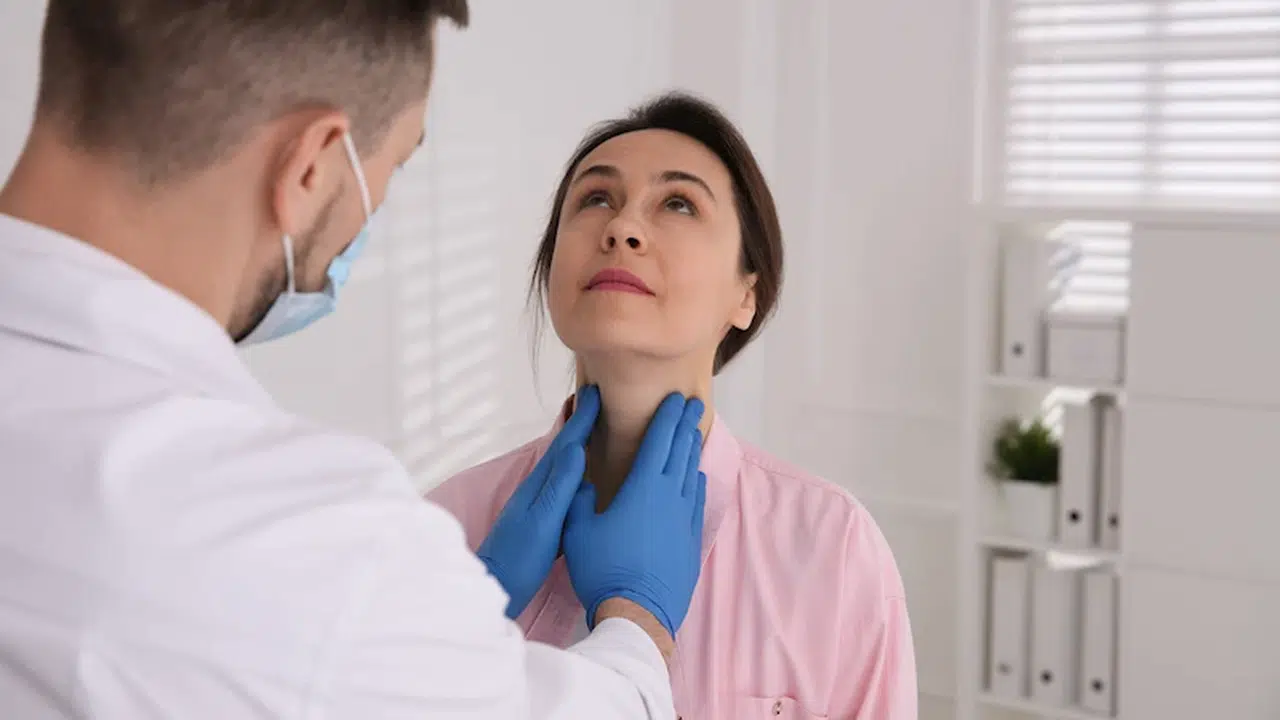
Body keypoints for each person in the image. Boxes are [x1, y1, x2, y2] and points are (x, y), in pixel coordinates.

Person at [0, 3, 707, 718]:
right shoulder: (306, 540)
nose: (623, 230)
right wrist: (637, 624)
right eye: (391, 167)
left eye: (680, 205)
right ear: (311, 165)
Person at [428, 92, 919, 719]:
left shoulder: (832, 547)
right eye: (595, 198)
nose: (621, 228)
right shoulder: (446, 529)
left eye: (679, 203)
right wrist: (465, 623)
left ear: (747, 294)